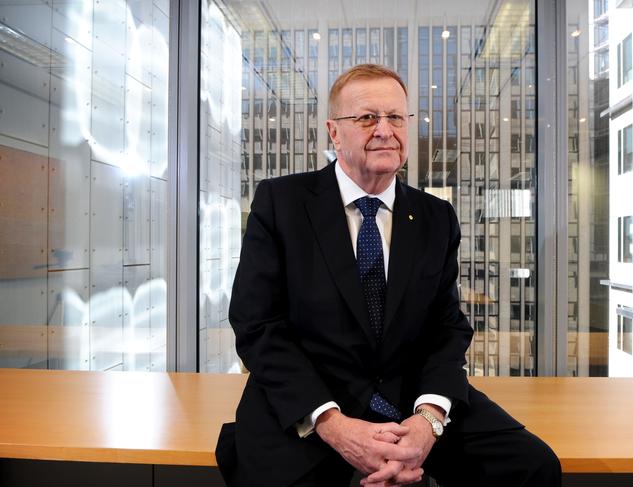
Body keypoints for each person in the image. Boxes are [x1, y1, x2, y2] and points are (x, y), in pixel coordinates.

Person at [216, 64, 561, 487]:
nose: (385, 129)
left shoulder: (437, 217)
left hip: (411, 398)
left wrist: (429, 420)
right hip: (312, 400)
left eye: (396, 117)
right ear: (334, 131)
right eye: (366, 117)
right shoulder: (281, 202)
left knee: (532, 466)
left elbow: (446, 327)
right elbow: (257, 326)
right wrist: (334, 425)